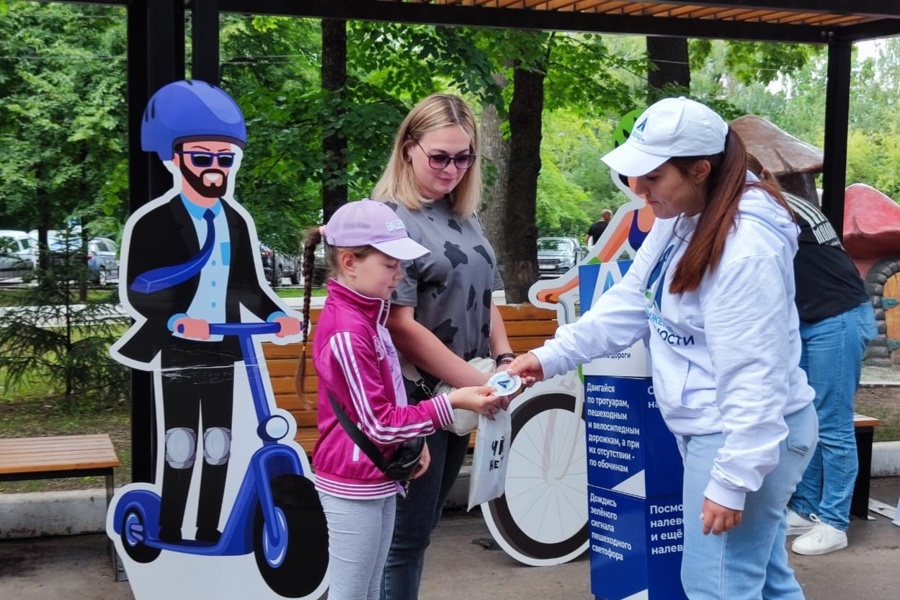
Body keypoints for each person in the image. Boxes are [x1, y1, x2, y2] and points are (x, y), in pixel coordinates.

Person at [508, 97, 818, 600]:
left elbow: (753, 374)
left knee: (715, 586)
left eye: (651, 177)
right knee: (763, 580)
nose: (637, 189)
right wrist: (548, 357)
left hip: (743, 431)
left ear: (700, 169)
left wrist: (732, 479)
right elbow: (629, 303)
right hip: (724, 426)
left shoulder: (745, 249)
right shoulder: (683, 217)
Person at [111, 80, 301, 544]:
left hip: (224, 346)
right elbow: (140, 290)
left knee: (219, 444)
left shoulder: (234, 220)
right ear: (175, 160)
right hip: (178, 347)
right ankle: (172, 528)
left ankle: (210, 529)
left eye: (224, 159)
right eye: (202, 157)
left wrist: (277, 316)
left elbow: (248, 286)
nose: (214, 169)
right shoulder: (154, 222)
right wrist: (175, 319)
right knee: (181, 445)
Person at [300, 200, 501, 600]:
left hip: (376, 475)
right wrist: (452, 402)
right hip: (352, 482)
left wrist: (415, 440)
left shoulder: (366, 316)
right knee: (353, 593)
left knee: (371, 588)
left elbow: (388, 395)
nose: (399, 276)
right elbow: (377, 422)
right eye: (390, 265)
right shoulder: (348, 330)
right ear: (350, 262)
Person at [370, 93, 516, 600]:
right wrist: (481, 384)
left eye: (464, 157)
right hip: (418, 399)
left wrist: (504, 361)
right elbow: (401, 326)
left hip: (463, 394)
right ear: (409, 149)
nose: (452, 169)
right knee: (402, 540)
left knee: (421, 528)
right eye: (440, 156)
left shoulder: (465, 215)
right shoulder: (389, 219)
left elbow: (486, 298)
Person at [748, 154, 877, 556]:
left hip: (836, 319)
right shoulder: (781, 199)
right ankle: (805, 508)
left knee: (832, 421)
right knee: (804, 416)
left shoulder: (768, 207)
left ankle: (834, 521)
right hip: (812, 319)